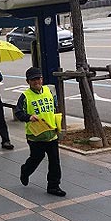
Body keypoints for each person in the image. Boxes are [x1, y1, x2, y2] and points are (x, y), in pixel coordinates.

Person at [16, 67, 66, 197]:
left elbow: (54, 108)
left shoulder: (49, 91)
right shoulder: (25, 96)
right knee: (36, 158)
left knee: (55, 161)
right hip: (36, 136)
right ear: (28, 81)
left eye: (38, 78)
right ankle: (25, 171)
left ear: (42, 79)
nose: (36, 81)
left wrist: (57, 125)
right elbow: (18, 112)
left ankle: (54, 186)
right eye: (33, 79)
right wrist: (29, 117)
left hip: (51, 133)